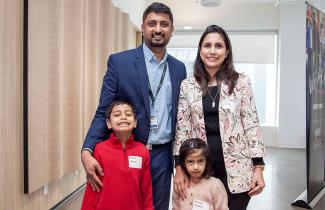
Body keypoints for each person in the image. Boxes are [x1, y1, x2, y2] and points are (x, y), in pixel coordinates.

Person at [81, 2, 187, 210]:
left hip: (161, 156)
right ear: (143, 27)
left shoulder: (178, 68)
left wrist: (180, 162)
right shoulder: (120, 62)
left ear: (172, 29)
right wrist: (87, 150)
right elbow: (104, 110)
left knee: (157, 206)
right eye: (152, 23)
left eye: (164, 24)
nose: (158, 29)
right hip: (128, 151)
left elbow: (181, 118)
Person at [173, 25, 266, 210]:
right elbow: (182, 128)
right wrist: (179, 168)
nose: (212, 51)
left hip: (238, 169)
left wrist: (258, 168)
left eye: (218, 46)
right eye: (207, 45)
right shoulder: (188, 85)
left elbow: (251, 124)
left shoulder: (241, 82)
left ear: (227, 51)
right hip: (201, 168)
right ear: (200, 51)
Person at [81, 100, 153, 210]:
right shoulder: (100, 149)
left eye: (128, 114)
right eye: (117, 115)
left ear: (135, 123)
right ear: (108, 123)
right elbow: (93, 188)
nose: (123, 117)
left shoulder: (142, 151)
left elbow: (146, 189)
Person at [172, 138, 229, 210]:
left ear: (206, 162)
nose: (196, 167)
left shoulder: (215, 185)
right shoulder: (180, 185)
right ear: (184, 163)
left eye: (200, 161)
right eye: (190, 162)